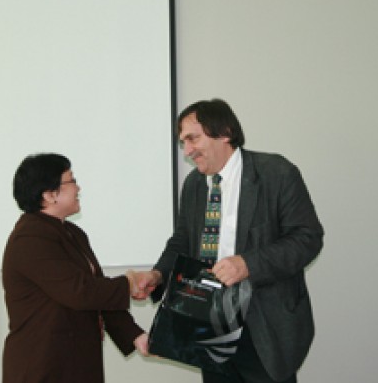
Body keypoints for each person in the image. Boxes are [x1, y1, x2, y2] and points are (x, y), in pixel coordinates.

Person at [135, 99, 324, 383]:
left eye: (192, 138)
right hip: (209, 325)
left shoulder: (276, 173)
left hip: (264, 325)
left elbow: (307, 238)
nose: (187, 151)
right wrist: (158, 274)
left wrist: (248, 264)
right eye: (183, 142)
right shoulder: (194, 185)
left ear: (224, 132)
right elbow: (182, 241)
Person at [1, 153, 149, 383]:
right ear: (49, 195)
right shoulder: (30, 238)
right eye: (71, 181)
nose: (78, 188)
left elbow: (97, 294)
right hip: (43, 366)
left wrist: (135, 336)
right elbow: (79, 291)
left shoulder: (73, 233)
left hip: (76, 362)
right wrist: (128, 282)